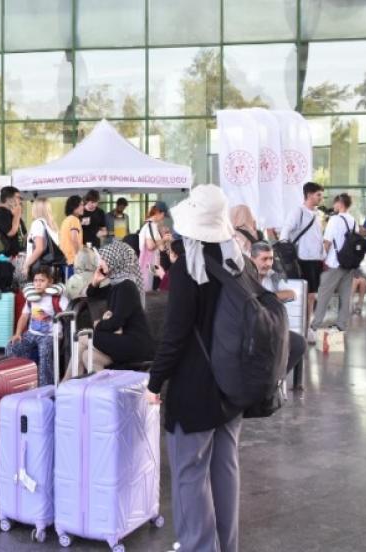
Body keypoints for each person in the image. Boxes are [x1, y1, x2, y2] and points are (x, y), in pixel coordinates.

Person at [146, 184, 245, 552]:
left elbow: (175, 334)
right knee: (225, 470)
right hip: (232, 383)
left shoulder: (191, 267)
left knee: (189, 473)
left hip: (194, 386)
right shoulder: (237, 260)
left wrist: (154, 382)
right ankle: (225, 546)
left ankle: (199, 547)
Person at [73, 241, 154, 376]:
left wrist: (98, 325)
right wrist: (95, 281)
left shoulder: (127, 286)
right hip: (122, 340)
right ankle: (103, 393)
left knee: (84, 337)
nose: (100, 264)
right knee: (88, 356)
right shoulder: (116, 285)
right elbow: (90, 294)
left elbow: (116, 322)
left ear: (114, 261)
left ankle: (67, 384)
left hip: (135, 343)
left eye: (103, 260)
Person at [250, 241, 308, 389]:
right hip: (248, 327)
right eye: (264, 259)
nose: (269, 263)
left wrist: (265, 297)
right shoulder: (245, 276)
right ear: (252, 259)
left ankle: (275, 380)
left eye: (271, 259)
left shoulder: (273, 277)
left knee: (298, 343)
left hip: (271, 327)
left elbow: (291, 294)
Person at [7, 266, 67, 386]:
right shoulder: (31, 297)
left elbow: (69, 314)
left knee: (45, 352)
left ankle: (46, 386)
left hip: (50, 335)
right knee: (12, 347)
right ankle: (21, 380)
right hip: (32, 334)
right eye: (36, 280)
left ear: (50, 282)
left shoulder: (57, 298)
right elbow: (24, 316)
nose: (38, 284)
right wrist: (18, 333)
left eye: (42, 281)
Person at [280, 182, 325, 343]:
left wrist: (323, 256)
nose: (321, 198)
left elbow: (318, 237)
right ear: (309, 194)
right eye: (318, 194)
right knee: (306, 295)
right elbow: (285, 231)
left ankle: (307, 328)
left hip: (315, 260)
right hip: (302, 259)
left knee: (312, 295)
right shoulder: (298, 211)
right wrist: (286, 254)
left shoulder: (317, 214)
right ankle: (302, 329)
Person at [310, 193, 357, 334]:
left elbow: (327, 242)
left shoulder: (335, 220)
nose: (333, 206)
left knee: (323, 295)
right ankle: (341, 325)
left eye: (335, 203)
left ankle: (315, 325)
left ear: (340, 203)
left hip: (333, 264)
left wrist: (322, 259)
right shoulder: (353, 220)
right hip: (348, 264)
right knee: (345, 296)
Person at [23, 198, 61, 279]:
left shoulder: (37, 223)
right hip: (52, 266)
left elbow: (39, 248)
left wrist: (26, 265)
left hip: (39, 267)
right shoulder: (52, 226)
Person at [138, 201, 170, 291]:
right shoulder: (150, 226)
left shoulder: (152, 226)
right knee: (148, 290)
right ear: (159, 213)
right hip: (149, 263)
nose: (163, 218)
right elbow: (150, 246)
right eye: (164, 215)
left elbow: (159, 247)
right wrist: (163, 239)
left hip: (150, 264)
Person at [0, 186, 26, 258]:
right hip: (5, 258)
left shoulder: (12, 213)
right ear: (8, 199)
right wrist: (17, 215)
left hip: (17, 255)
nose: (20, 200)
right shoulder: (1, 212)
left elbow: (24, 234)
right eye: (18, 197)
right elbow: (10, 232)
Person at [59, 195, 84, 270]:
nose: (83, 207)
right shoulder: (74, 220)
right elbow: (74, 239)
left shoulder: (66, 220)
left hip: (65, 259)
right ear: (74, 206)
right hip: (73, 260)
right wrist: (79, 256)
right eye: (81, 205)